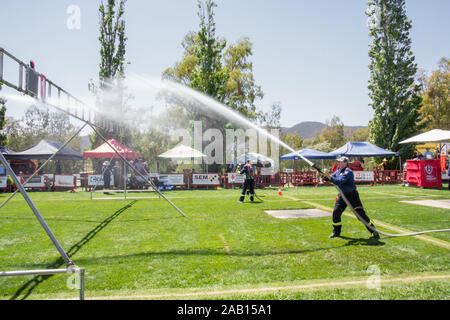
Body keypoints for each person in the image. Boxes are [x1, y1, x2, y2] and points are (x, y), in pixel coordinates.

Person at [323, 156, 379, 239]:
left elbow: (339, 182)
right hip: (342, 196)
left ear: (345, 163)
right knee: (336, 213)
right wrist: (323, 175)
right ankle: (336, 232)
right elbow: (330, 178)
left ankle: (374, 232)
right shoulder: (338, 171)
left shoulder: (348, 172)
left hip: (352, 196)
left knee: (360, 216)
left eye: (340, 162)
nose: (338, 163)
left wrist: (328, 176)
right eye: (338, 161)